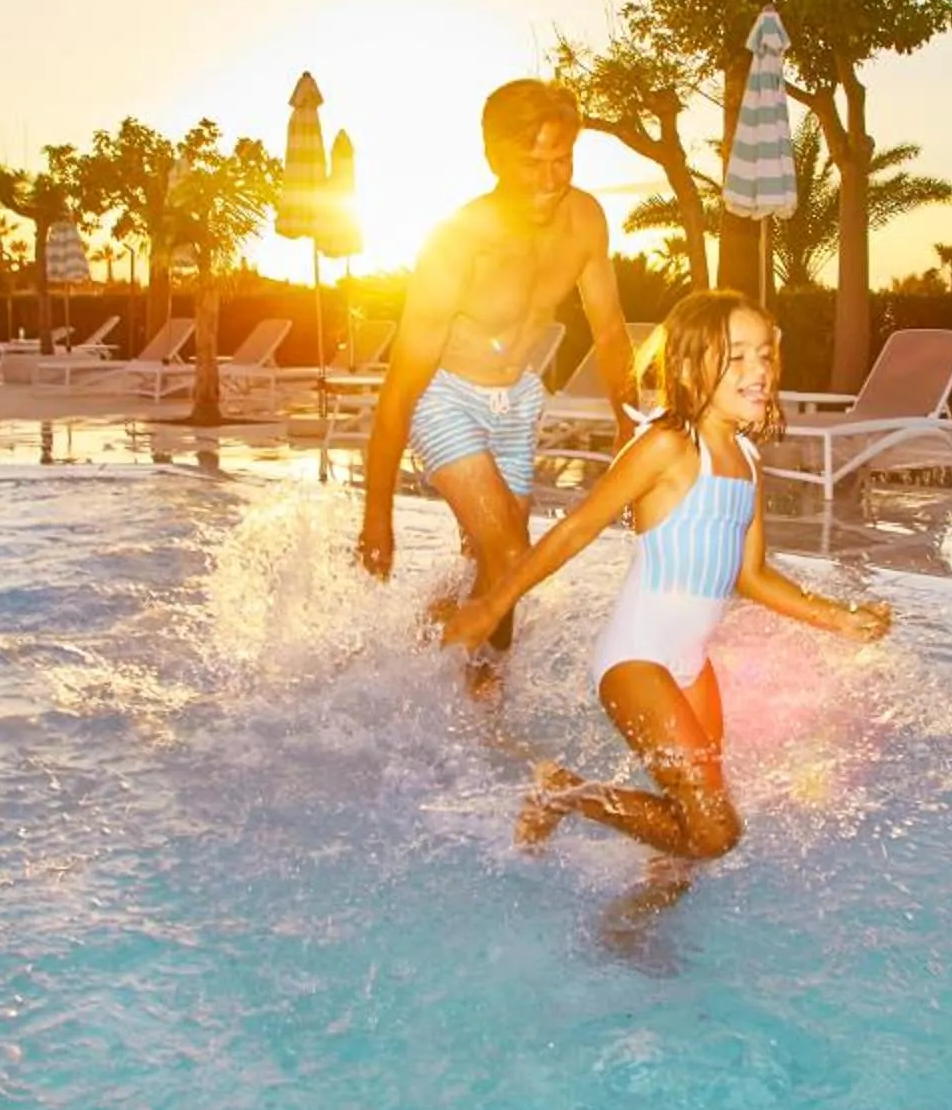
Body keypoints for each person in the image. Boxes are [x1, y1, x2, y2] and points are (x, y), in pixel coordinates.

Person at [442, 291, 890, 859]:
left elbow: (750, 575)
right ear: (686, 366)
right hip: (636, 660)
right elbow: (577, 528)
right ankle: (565, 792)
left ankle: (637, 920)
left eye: (766, 356)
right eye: (737, 357)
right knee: (716, 832)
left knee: (696, 831)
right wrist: (491, 604)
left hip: (689, 666)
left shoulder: (747, 460)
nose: (759, 371)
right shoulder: (668, 445)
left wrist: (839, 619)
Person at [356, 78, 638, 670]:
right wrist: (377, 516)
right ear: (494, 159)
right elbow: (401, 388)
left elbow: (611, 330)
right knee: (513, 553)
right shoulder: (459, 245)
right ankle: (463, 688)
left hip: (517, 401)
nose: (550, 178)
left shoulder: (585, 219)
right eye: (531, 162)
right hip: (445, 398)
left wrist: (626, 418)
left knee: (497, 566)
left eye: (561, 159)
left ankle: (441, 663)